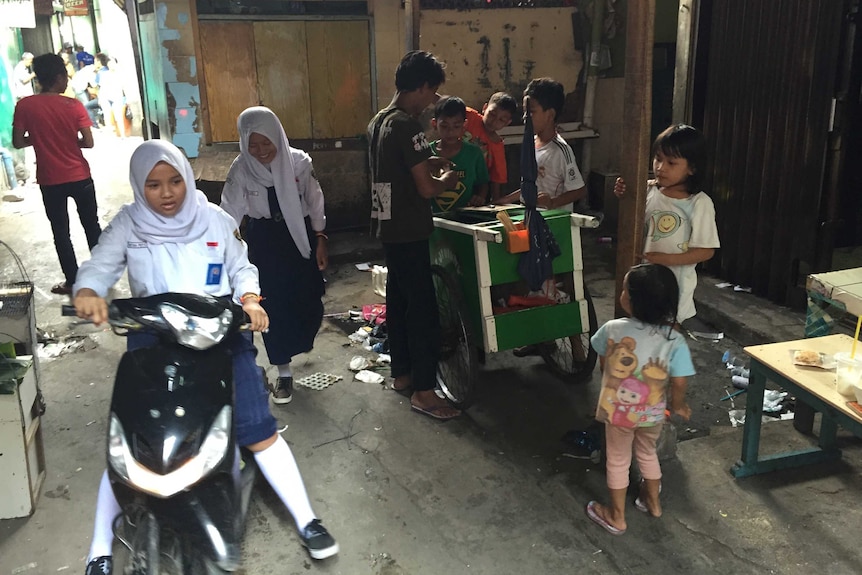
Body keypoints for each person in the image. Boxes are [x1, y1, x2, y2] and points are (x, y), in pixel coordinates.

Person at [73, 140, 338, 575]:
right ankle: (100, 546)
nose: (166, 192)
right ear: (140, 186)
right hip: (152, 338)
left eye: (175, 180)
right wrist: (87, 291)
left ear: (186, 177)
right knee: (131, 443)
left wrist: (250, 300)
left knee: (256, 429)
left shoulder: (214, 218)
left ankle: (308, 520)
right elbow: (101, 263)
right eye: (154, 184)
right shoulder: (129, 224)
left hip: (221, 336)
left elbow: (240, 267)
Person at [367, 50, 462, 420]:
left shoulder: (379, 121)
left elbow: (396, 168)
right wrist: (447, 179)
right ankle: (425, 392)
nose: (432, 102)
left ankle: (402, 375)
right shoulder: (408, 126)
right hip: (410, 227)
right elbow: (425, 189)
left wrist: (427, 163)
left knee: (399, 301)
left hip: (388, 226)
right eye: (432, 92)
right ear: (421, 87)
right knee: (422, 311)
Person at [221, 106, 328, 405]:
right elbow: (229, 213)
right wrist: (224, 250)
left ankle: (301, 340)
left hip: (299, 236)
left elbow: (315, 200)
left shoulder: (299, 163)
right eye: (252, 144)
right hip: (264, 242)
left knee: (310, 298)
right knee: (274, 308)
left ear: (277, 136)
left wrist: (320, 237)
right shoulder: (241, 169)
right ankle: (283, 372)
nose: (260, 151)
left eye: (266, 142)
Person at [585, 262, 694, 536]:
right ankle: (653, 502)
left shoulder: (612, 329)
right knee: (647, 452)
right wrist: (678, 404)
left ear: (631, 300)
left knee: (618, 459)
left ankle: (616, 516)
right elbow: (680, 380)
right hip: (653, 412)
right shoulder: (674, 339)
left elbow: (602, 361)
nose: (622, 293)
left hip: (619, 411)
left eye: (624, 289)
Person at [613, 123, 720, 325]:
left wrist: (665, 259)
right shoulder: (646, 190)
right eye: (658, 159)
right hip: (640, 280)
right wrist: (623, 193)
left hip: (673, 285)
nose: (660, 168)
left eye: (671, 163)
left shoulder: (698, 203)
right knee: (637, 328)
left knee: (668, 335)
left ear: (692, 168)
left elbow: (706, 251)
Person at [12, 53, 101, 295]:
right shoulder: (74, 105)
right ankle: (101, 277)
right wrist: (69, 141)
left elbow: (18, 142)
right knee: (92, 226)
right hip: (80, 176)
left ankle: (72, 281)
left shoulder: (25, 106)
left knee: (61, 232)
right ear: (59, 77)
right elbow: (89, 142)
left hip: (50, 180)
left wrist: (40, 139)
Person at [500, 78, 586, 212]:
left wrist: (552, 202)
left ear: (550, 115)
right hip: (532, 218)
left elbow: (579, 190)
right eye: (524, 111)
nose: (525, 117)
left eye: (531, 112)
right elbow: (531, 184)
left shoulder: (561, 151)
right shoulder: (531, 144)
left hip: (554, 224)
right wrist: (505, 200)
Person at [429, 96, 489, 213]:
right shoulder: (425, 153)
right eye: (444, 126)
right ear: (434, 124)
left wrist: (480, 197)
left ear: (464, 125)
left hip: (464, 218)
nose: (450, 132)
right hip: (433, 219)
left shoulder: (474, 153)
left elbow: (483, 183)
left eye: (456, 126)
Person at [463, 91, 517, 203]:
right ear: (485, 108)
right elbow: (445, 104)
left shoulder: (497, 146)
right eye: (492, 114)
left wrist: (494, 203)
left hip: (476, 191)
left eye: (501, 120)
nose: (494, 121)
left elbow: (496, 179)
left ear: (508, 122)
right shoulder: (470, 117)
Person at [94, 53, 126, 138]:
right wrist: (100, 98)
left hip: (117, 96)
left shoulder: (120, 74)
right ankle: (111, 135)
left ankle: (122, 134)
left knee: (118, 116)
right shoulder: (103, 74)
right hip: (105, 96)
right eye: (109, 62)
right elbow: (101, 88)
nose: (111, 64)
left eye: (112, 63)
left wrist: (126, 98)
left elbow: (123, 87)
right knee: (107, 116)